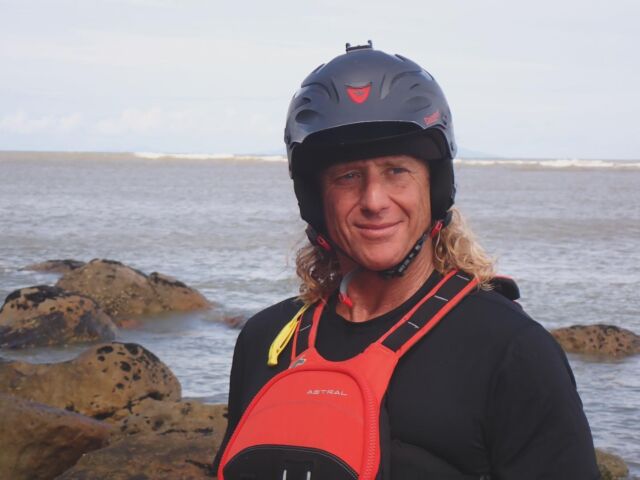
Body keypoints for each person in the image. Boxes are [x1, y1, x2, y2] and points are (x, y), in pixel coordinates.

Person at [213, 42, 600, 479]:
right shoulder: (265, 339)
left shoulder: (511, 350)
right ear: (316, 199)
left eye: (396, 170)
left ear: (433, 187)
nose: (374, 200)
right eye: (348, 176)